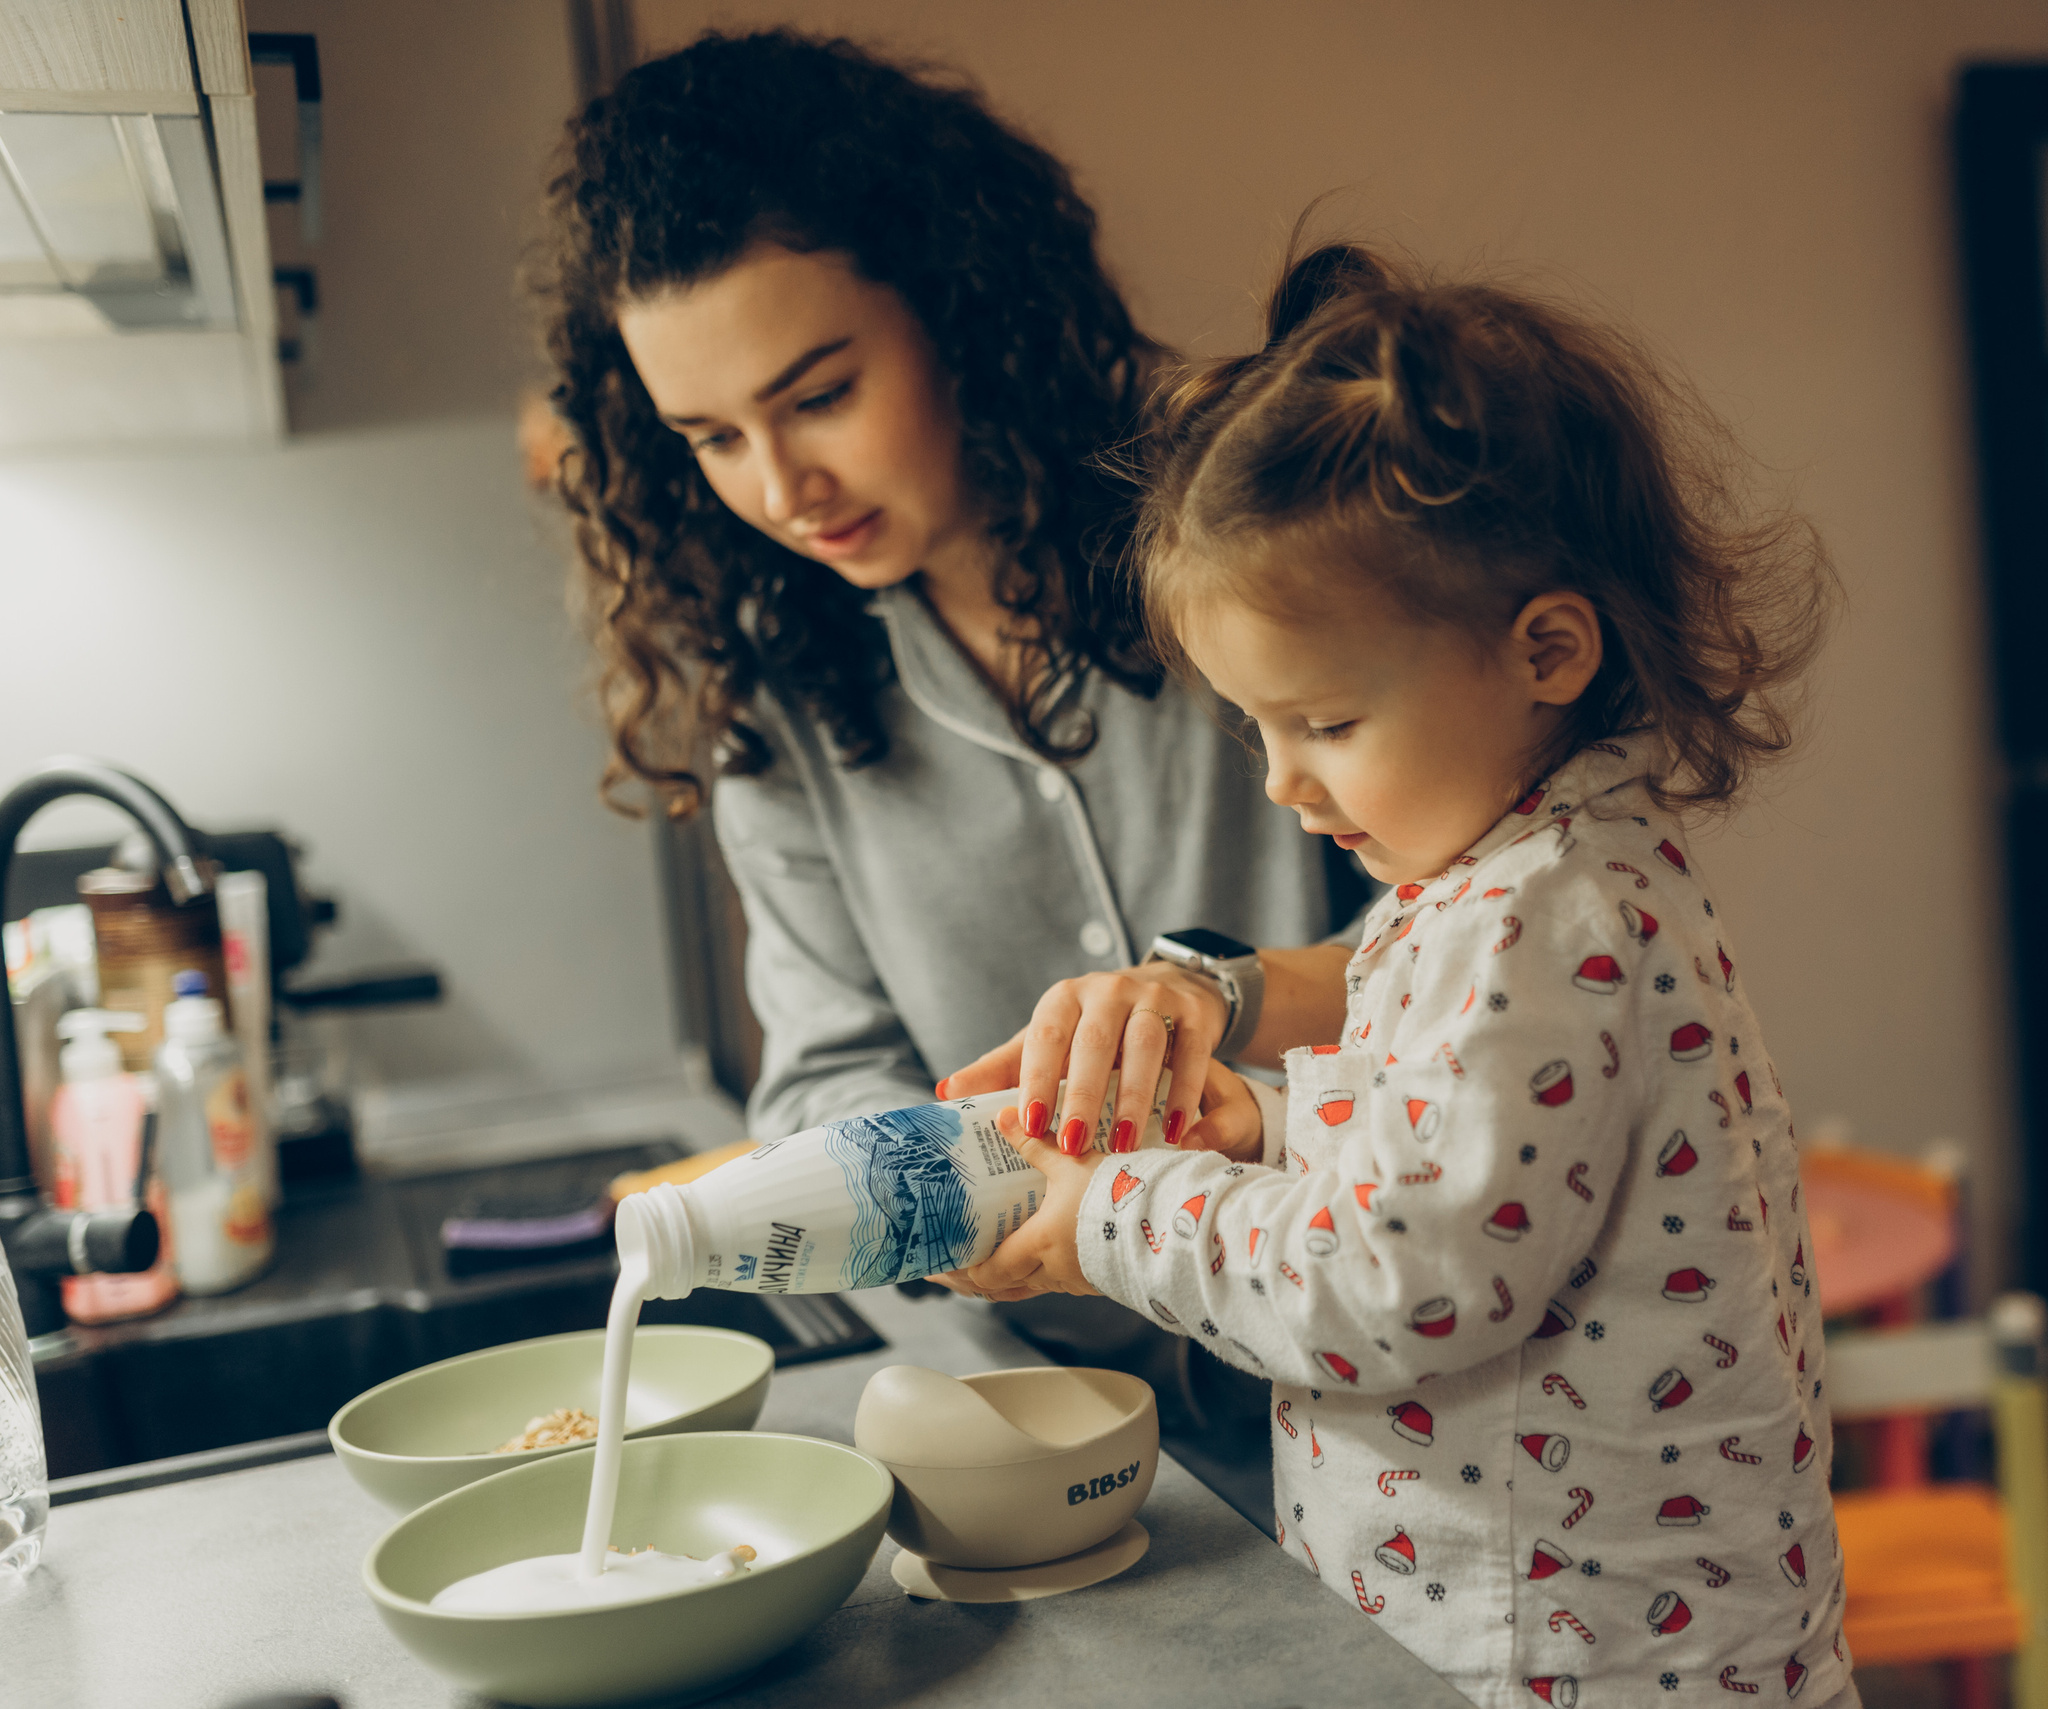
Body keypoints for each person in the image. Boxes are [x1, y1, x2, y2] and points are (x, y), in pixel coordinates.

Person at [961, 242, 1854, 1708]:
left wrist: (1112, 1216)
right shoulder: (1517, 867)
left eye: (1319, 721)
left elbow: (1394, 1282)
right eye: (1257, 730)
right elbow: (1446, 1113)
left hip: (1589, 1668)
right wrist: (1246, 1097)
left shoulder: (1543, 916)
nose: (1283, 784)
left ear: (1546, 648)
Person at [530, 31, 1368, 1175]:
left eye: (820, 396)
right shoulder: (776, 711)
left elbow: (1476, 931)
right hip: (1017, 1344)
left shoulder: (1243, 533)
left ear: (954, 311)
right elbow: (826, 1074)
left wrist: (1225, 999)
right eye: (714, 438)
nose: (781, 490)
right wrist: (976, 1189)